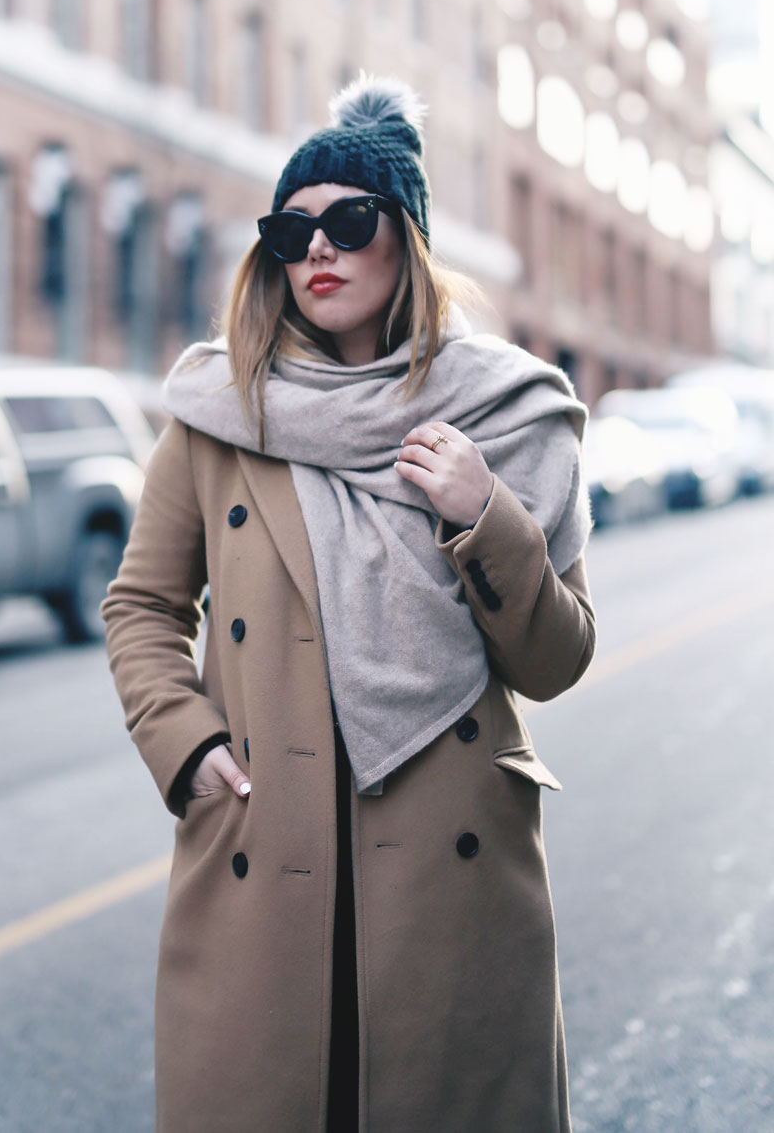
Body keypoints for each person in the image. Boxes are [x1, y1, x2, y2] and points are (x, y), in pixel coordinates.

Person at [102, 71, 597, 1133]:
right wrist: (182, 744)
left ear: (404, 239)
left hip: (447, 870)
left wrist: (485, 514)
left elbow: (557, 661)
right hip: (257, 847)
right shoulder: (217, 412)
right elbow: (141, 604)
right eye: (291, 231)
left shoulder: (509, 412)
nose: (318, 249)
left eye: (349, 220)